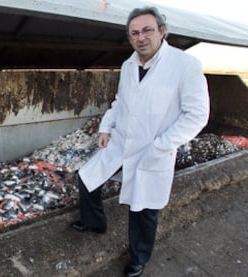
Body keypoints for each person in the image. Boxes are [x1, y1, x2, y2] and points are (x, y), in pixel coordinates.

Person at [70, 6, 210, 277]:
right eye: (134, 33)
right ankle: (94, 223)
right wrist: (106, 127)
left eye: (147, 30)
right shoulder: (128, 65)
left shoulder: (184, 65)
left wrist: (162, 144)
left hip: (153, 149)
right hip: (121, 142)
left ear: (161, 31)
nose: (140, 37)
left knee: (144, 210)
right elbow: (120, 102)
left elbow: (197, 115)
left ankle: (138, 259)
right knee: (87, 178)